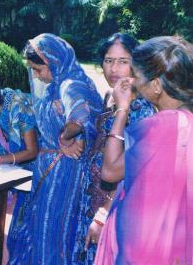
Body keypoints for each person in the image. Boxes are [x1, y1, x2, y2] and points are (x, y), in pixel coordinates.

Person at [95, 36, 193, 264]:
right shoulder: (186, 120)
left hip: (147, 244)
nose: (134, 82)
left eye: (137, 76)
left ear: (157, 86)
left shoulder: (161, 127)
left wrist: (122, 109)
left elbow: (110, 170)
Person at [7, 33, 102, 264]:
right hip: (50, 168)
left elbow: (81, 116)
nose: (37, 76)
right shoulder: (56, 85)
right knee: (42, 226)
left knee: (52, 229)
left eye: (39, 70)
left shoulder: (70, 85)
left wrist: (66, 136)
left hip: (63, 172)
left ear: (54, 63)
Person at [72, 33, 155, 264]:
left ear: (136, 65)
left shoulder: (141, 109)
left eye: (122, 61)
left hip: (117, 201)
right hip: (93, 194)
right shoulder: (111, 95)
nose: (113, 69)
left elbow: (131, 170)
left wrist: (103, 213)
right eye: (108, 61)